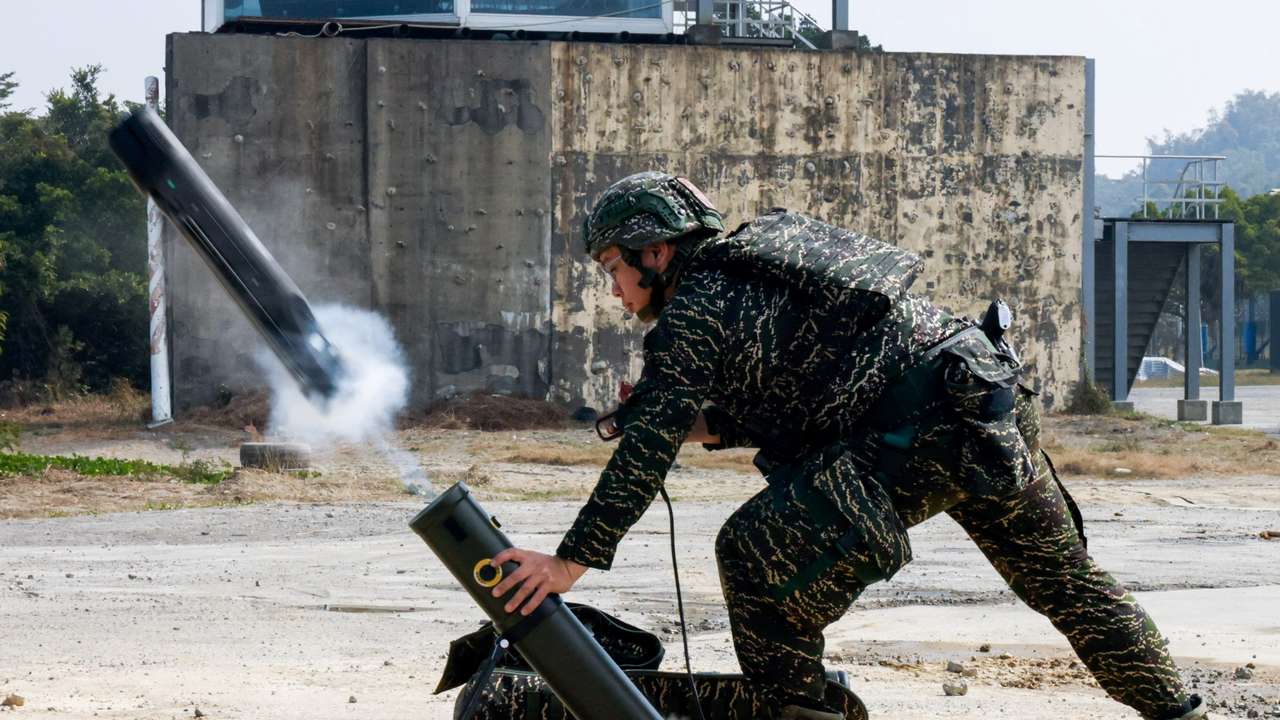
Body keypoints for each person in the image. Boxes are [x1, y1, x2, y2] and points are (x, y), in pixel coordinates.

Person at [487, 171, 1206, 720]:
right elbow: (810, 396)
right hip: (984, 401)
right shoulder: (753, 271)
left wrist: (567, 564)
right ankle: (1181, 714)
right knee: (1069, 586)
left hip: (920, 429)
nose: (613, 288)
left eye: (612, 267)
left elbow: (642, 457)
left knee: (752, 555)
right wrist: (700, 425)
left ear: (656, 250)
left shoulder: (697, 308)